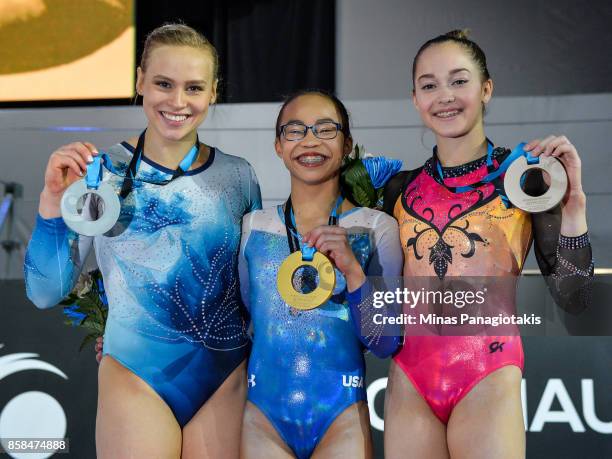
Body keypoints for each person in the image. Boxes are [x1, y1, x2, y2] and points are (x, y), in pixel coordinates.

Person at [24, 23, 261, 458]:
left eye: (194, 87)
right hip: (135, 377)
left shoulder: (240, 176)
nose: (177, 101)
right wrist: (52, 203)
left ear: (213, 92)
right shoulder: (102, 173)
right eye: (163, 84)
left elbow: (253, 289)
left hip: (224, 376)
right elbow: (44, 292)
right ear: (139, 82)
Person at [383, 30, 593, 458]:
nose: (445, 96)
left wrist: (573, 207)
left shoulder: (524, 181)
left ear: (486, 88)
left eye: (459, 81)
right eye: (430, 85)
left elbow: (574, 297)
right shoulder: (398, 190)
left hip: (488, 372)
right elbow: (379, 304)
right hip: (409, 377)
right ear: (414, 99)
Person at [239, 90, 403, 458]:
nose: (310, 140)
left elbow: (386, 342)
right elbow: (241, 323)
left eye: (326, 129)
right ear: (278, 146)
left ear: (347, 144)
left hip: (341, 416)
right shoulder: (253, 227)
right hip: (262, 418)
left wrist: (354, 273)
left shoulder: (376, 228)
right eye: (295, 130)